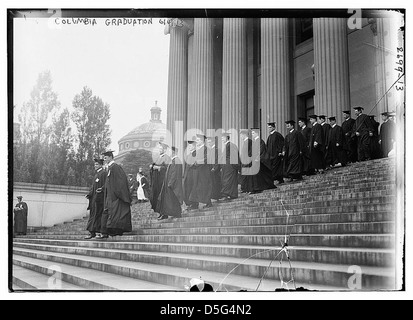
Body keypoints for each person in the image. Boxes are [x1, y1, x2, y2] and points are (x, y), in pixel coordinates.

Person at [99, 150, 132, 239]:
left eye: (105, 158)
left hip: (115, 196)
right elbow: (109, 182)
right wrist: (102, 188)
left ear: (110, 157)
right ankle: (104, 232)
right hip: (109, 195)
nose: (104, 160)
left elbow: (120, 181)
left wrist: (119, 194)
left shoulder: (115, 167)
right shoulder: (110, 168)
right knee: (107, 212)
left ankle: (110, 231)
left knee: (113, 212)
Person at [157, 147, 184, 220]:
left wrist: (170, 183)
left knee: (174, 199)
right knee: (169, 200)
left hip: (173, 184)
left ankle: (177, 213)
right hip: (168, 183)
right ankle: (169, 213)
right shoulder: (172, 161)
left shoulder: (176, 160)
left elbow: (174, 173)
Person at [189, 134, 213, 209]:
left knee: (205, 186)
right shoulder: (199, 150)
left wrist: (196, 162)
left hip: (205, 172)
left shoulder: (207, 149)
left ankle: (208, 202)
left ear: (202, 141)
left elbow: (206, 159)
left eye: (198, 140)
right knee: (197, 187)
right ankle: (195, 203)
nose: (197, 141)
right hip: (199, 171)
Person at [85, 158, 106, 240]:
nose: (95, 166)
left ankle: (98, 231)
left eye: (97, 164)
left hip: (100, 198)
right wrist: (90, 194)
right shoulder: (97, 174)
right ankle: (92, 232)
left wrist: (102, 189)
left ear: (101, 165)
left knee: (98, 214)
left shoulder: (103, 173)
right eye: (95, 164)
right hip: (94, 198)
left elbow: (106, 184)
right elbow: (93, 187)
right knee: (93, 214)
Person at [250, 128, 276, 193]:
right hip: (255, 161)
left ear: (257, 133)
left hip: (259, 161)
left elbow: (261, 151)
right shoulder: (255, 142)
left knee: (258, 175)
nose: (252, 135)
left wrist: (257, 158)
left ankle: (258, 188)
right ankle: (255, 188)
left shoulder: (260, 141)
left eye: (253, 133)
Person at [150, 142, 171, 217]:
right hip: (156, 181)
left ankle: (164, 213)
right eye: (159, 148)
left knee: (162, 197)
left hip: (162, 180)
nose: (159, 150)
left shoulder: (167, 158)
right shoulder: (158, 157)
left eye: (161, 149)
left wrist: (159, 168)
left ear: (165, 150)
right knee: (156, 196)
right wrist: (152, 167)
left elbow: (167, 168)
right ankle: (160, 212)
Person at [217, 132, 240, 201]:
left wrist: (234, 166)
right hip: (226, 166)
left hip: (230, 166)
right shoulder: (227, 146)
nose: (222, 139)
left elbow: (234, 156)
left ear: (227, 138)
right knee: (227, 180)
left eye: (223, 138)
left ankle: (227, 195)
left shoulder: (231, 145)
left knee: (228, 180)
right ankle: (231, 195)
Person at [183, 139, 199, 211]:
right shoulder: (188, 155)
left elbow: (197, 163)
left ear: (194, 146)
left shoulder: (197, 154)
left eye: (191, 146)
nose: (189, 147)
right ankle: (190, 203)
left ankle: (194, 204)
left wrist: (193, 164)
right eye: (189, 146)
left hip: (193, 174)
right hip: (187, 174)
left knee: (193, 188)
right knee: (187, 188)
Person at [206, 135, 222, 201]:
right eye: (208, 142)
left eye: (210, 142)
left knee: (216, 182)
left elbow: (218, 159)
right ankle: (214, 196)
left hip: (216, 169)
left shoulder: (217, 149)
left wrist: (215, 168)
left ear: (213, 142)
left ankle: (217, 196)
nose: (209, 143)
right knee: (212, 183)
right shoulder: (210, 150)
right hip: (211, 169)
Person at [239, 129, 254, 194]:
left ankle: (250, 189)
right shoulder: (245, 142)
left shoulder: (249, 141)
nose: (241, 137)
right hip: (244, 162)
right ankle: (245, 189)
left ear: (244, 135)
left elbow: (251, 152)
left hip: (247, 162)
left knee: (249, 176)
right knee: (245, 176)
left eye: (241, 135)